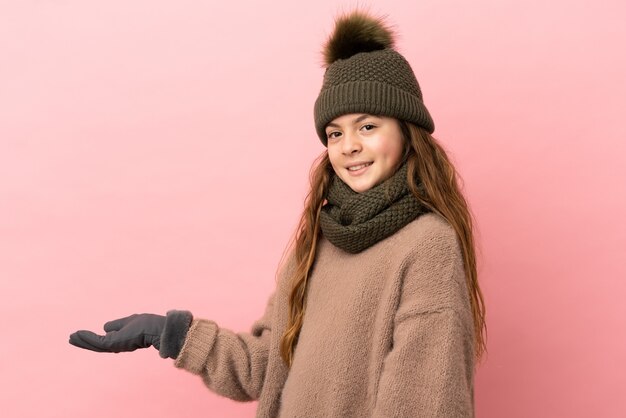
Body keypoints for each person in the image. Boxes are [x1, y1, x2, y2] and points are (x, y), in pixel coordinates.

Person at [69, 9, 487, 418]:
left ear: (406, 129)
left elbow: (424, 403)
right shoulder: (319, 241)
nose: (348, 146)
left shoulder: (428, 244)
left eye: (367, 126)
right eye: (335, 133)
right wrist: (170, 333)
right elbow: (267, 368)